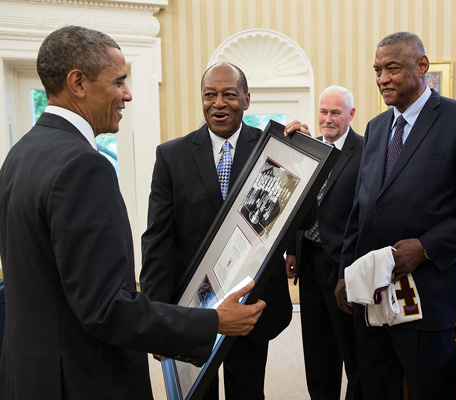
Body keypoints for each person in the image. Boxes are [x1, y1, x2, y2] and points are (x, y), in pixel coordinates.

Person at [0, 26, 265, 400]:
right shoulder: (82, 167)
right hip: (81, 379)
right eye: (119, 82)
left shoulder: (20, 153)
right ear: (78, 83)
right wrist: (213, 321)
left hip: (30, 373)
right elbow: (106, 308)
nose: (127, 94)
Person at [334, 32, 456, 399]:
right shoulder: (377, 128)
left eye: (392, 68)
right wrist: (347, 271)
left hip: (429, 301)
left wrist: (425, 247)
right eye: (377, 70)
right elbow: (362, 207)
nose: (382, 79)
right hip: (373, 299)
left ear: (422, 66)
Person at [141, 61, 292, 400]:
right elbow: (157, 240)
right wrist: (156, 316)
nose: (218, 103)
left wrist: (305, 156)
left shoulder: (276, 150)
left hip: (251, 304)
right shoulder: (171, 156)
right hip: (193, 306)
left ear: (247, 100)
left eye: (229, 94)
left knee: (248, 391)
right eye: (210, 95)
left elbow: (296, 213)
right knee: (197, 392)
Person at [285, 86, 363, 400]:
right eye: (323, 112)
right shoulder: (308, 149)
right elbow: (295, 202)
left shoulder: (366, 151)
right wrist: (292, 248)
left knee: (350, 347)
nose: (327, 119)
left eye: (335, 113)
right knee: (316, 347)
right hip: (309, 260)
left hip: (344, 265)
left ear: (351, 115)